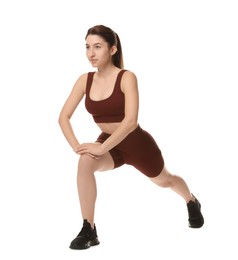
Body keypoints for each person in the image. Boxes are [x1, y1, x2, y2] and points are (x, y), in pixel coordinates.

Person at [58, 24, 204, 250]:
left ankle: (191, 201)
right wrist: (77, 146)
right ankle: (89, 229)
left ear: (113, 49)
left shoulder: (127, 77)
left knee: (165, 180)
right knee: (84, 162)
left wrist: (100, 147)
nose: (91, 53)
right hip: (109, 143)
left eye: (97, 47)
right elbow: (63, 117)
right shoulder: (84, 80)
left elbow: (130, 122)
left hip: (136, 143)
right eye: (87, 47)